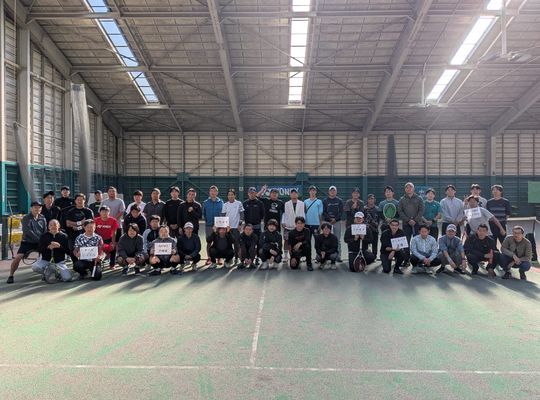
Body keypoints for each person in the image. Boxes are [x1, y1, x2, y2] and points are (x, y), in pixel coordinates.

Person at [6, 201, 48, 284]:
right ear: (31, 208)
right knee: (18, 258)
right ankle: (11, 275)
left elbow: (45, 231)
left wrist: (45, 241)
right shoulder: (26, 218)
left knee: (49, 254)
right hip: (27, 242)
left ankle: (46, 273)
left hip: (40, 242)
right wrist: (40, 240)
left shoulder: (43, 218)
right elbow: (28, 232)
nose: (37, 209)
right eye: (35, 207)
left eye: (39, 207)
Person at [64, 193, 94, 259]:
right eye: (78, 200)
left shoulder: (88, 211)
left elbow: (90, 224)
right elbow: (68, 223)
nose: (80, 201)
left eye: (81, 199)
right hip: (72, 235)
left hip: (86, 235)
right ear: (75, 201)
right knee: (73, 252)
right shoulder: (70, 211)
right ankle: (75, 264)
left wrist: (78, 227)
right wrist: (80, 223)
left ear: (84, 200)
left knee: (85, 253)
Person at [282, 189, 305, 265]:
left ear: (297, 195)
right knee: (286, 241)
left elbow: (303, 213)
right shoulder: (286, 203)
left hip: (298, 226)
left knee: (298, 241)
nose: (294, 194)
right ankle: (285, 256)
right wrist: (283, 221)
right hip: (288, 225)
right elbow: (285, 213)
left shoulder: (302, 203)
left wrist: (302, 224)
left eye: (295, 193)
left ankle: (300, 256)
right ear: (290, 195)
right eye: (292, 193)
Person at [221, 189, 245, 263]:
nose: (230, 196)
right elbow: (223, 215)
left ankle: (236, 258)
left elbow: (242, 214)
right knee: (228, 244)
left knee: (236, 244)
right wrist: (224, 226)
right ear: (227, 196)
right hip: (228, 228)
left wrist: (239, 224)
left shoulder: (239, 203)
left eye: (232, 194)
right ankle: (229, 258)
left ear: (235, 195)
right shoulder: (225, 205)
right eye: (229, 195)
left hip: (236, 228)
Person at [323, 186, 344, 261]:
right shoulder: (325, 201)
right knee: (326, 238)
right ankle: (326, 256)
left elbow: (341, 212)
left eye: (334, 190)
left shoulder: (340, 201)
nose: (332, 192)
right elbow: (324, 212)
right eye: (331, 190)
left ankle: (338, 256)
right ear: (329, 192)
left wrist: (335, 219)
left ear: (336, 191)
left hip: (337, 222)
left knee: (337, 239)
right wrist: (329, 219)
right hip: (327, 222)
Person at [203, 186, 224, 263]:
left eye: (215, 191)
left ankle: (219, 258)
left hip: (219, 226)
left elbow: (223, 213)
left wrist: (218, 224)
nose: (213, 192)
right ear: (209, 192)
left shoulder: (221, 202)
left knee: (219, 242)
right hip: (209, 226)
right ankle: (209, 258)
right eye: (211, 191)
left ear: (217, 192)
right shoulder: (205, 202)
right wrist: (208, 222)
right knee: (209, 242)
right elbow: (204, 214)